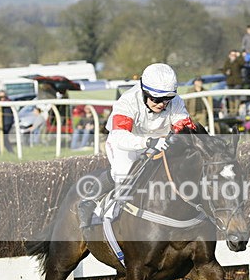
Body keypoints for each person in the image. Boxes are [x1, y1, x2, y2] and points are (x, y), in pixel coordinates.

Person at [78, 63, 196, 228]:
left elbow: (186, 129)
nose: (162, 104)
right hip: (124, 142)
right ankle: (89, 200)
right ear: (144, 91)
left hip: (158, 142)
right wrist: (147, 142)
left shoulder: (176, 102)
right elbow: (120, 136)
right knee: (125, 173)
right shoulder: (128, 101)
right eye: (156, 99)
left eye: (167, 99)